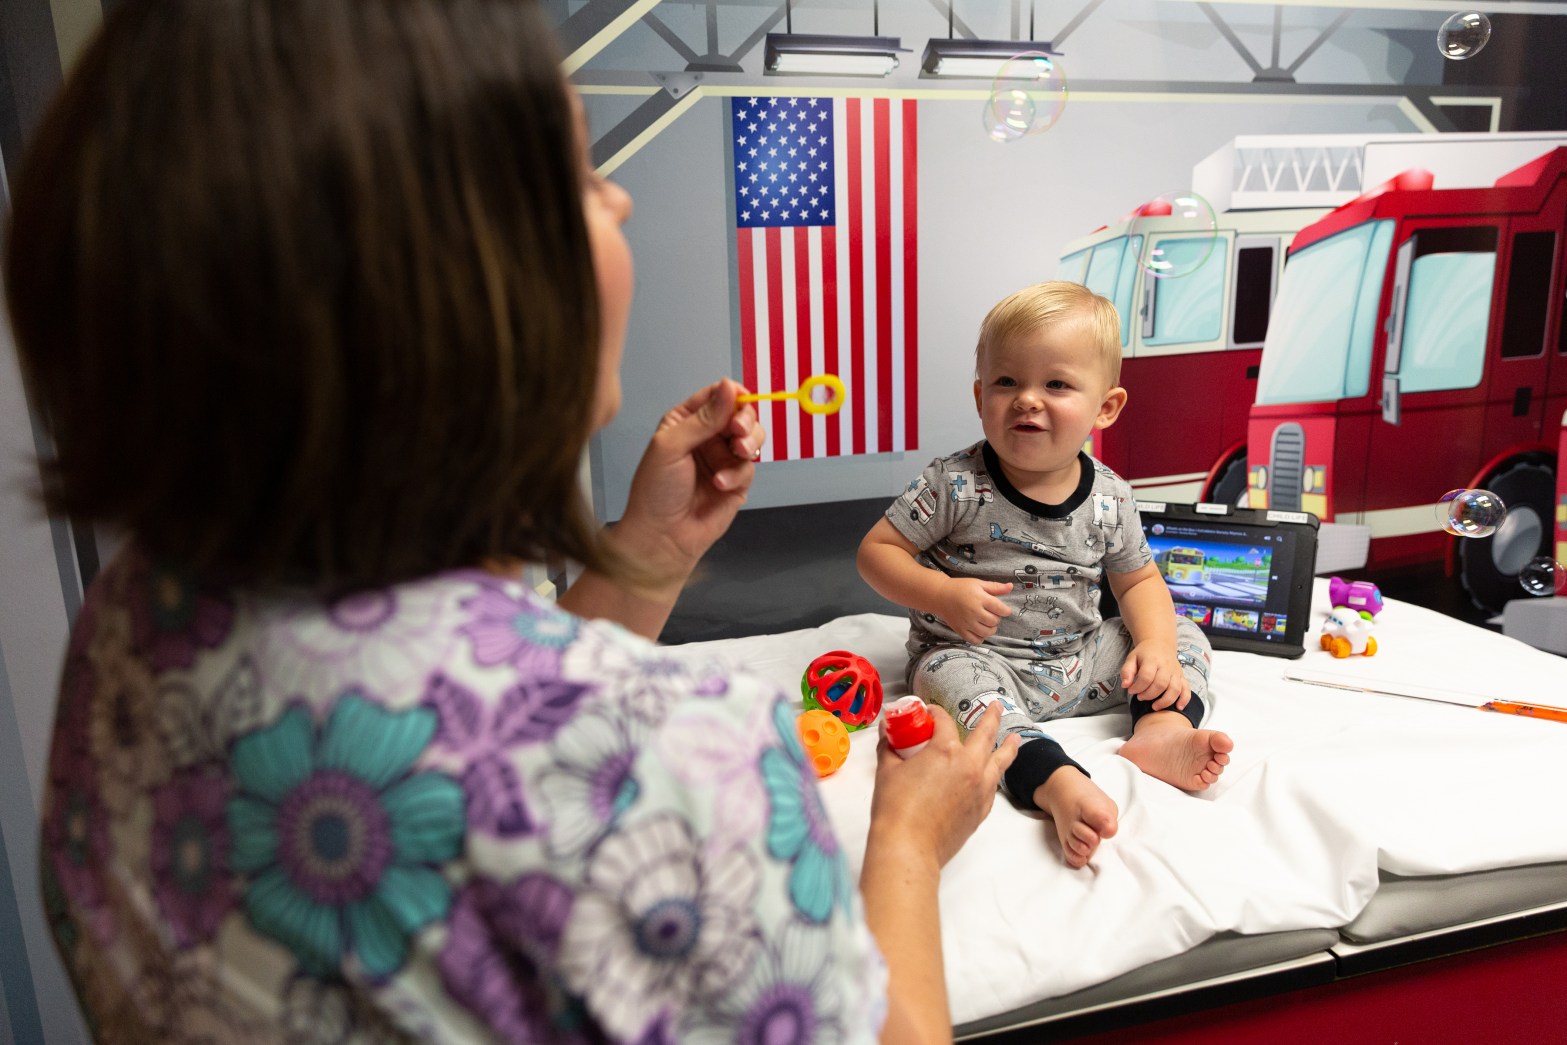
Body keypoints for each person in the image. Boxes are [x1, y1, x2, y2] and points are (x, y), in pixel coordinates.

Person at [5, 1, 1016, 1041]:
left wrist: (648, 552)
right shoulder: (681, 759)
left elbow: (479, 717)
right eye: (578, 175)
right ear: (454, 282)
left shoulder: (137, 619)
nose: (619, 196)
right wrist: (908, 839)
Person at [857, 281, 1233, 870]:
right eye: (1007, 382)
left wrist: (1156, 648)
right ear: (980, 395)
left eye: (1056, 384)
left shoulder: (1110, 497)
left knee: (1181, 633)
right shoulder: (955, 483)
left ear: (1105, 407)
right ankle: (1053, 778)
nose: (1027, 400)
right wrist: (941, 593)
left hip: (1080, 662)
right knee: (945, 680)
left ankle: (1159, 730)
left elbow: (1138, 583)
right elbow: (876, 552)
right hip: (979, 657)